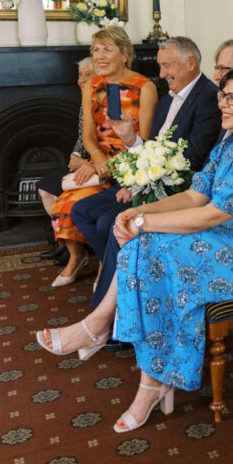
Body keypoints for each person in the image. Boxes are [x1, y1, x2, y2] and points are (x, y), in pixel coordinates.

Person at [36, 67, 233, 433]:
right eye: (222, 95)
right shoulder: (231, 140)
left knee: (154, 251)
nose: (222, 104)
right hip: (231, 233)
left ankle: (110, 341)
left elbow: (208, 216)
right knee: (148, 253)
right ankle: (142, 372)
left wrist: (142, 223)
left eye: (232, 98)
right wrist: (139, 211)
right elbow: (196, 195)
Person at [70, 36, 223, 311]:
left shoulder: (208, 99)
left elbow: (192, 159)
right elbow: (149, 148)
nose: (162, 74)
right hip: (147, 183)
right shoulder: (167, 100)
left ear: (190, 63)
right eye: (160, 67)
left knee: (109, 223)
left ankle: (117, 308)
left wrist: (143, 181)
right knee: (81, 211)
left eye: (166, 66)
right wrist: (130, 139)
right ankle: (116, 273)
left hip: (176, 190)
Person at [48, 26, 157, 288]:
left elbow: (146, 143)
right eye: (96, 50)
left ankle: (108, 270)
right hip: (100, 162)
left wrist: (110, 167)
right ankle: (103, 264)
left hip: (132, 165)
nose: (100, 56)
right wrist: (97, 162)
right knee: (68, 206)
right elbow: (88, 136)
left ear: (125, 55)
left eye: (108, 49)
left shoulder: (145, 87)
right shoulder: (91, 85)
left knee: (86, 211)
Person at [38, 57, 98, 265]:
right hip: (83, 161)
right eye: (80, 75)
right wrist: (75, 155)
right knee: (45, 187)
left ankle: (75, 249)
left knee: (64, 193)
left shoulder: (104, 101)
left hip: (98, 166)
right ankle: (67, 245)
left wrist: (85, 163)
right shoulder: (85, 100)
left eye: (87, 75)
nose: (81, 80)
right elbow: (82, 138)